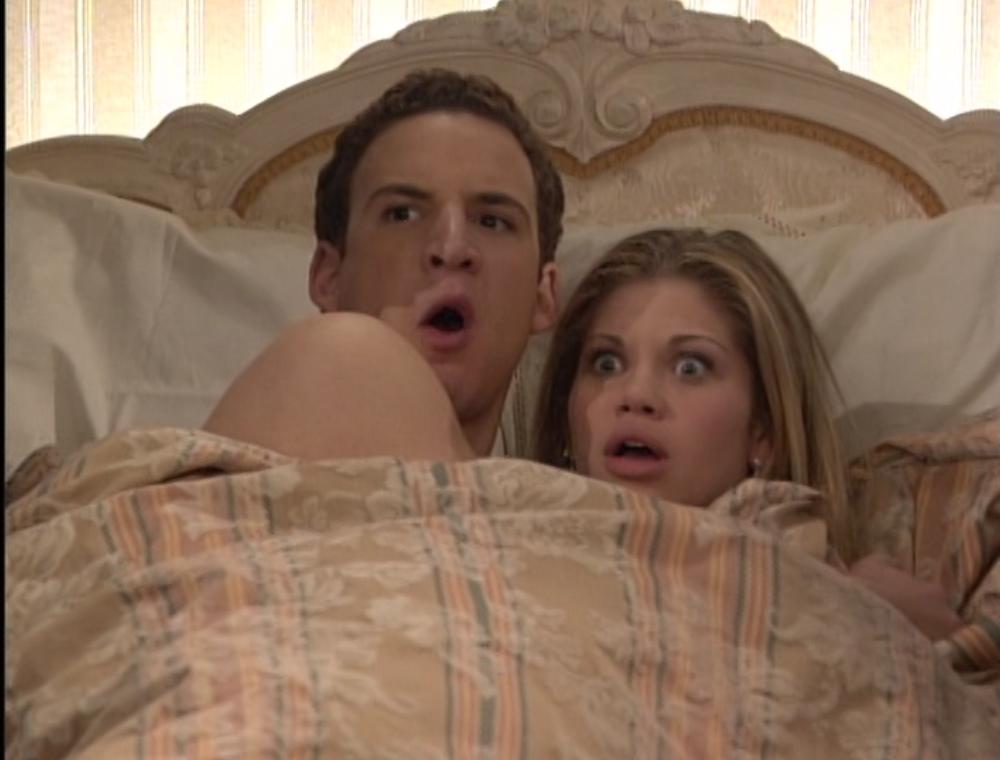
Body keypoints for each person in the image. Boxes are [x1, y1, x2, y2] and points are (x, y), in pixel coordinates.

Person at [532, 227, 964, 640]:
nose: (636, 394)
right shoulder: (510, 545)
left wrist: (859, 622)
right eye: (607, 363)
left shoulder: (848, 604)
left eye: (690, 367)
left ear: (764, 430)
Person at [204, 69, 562, 460]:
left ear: (543, 296)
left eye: (492, 221)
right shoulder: (324, 348)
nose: (451, 248)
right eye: (402, 214)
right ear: (329, 277)